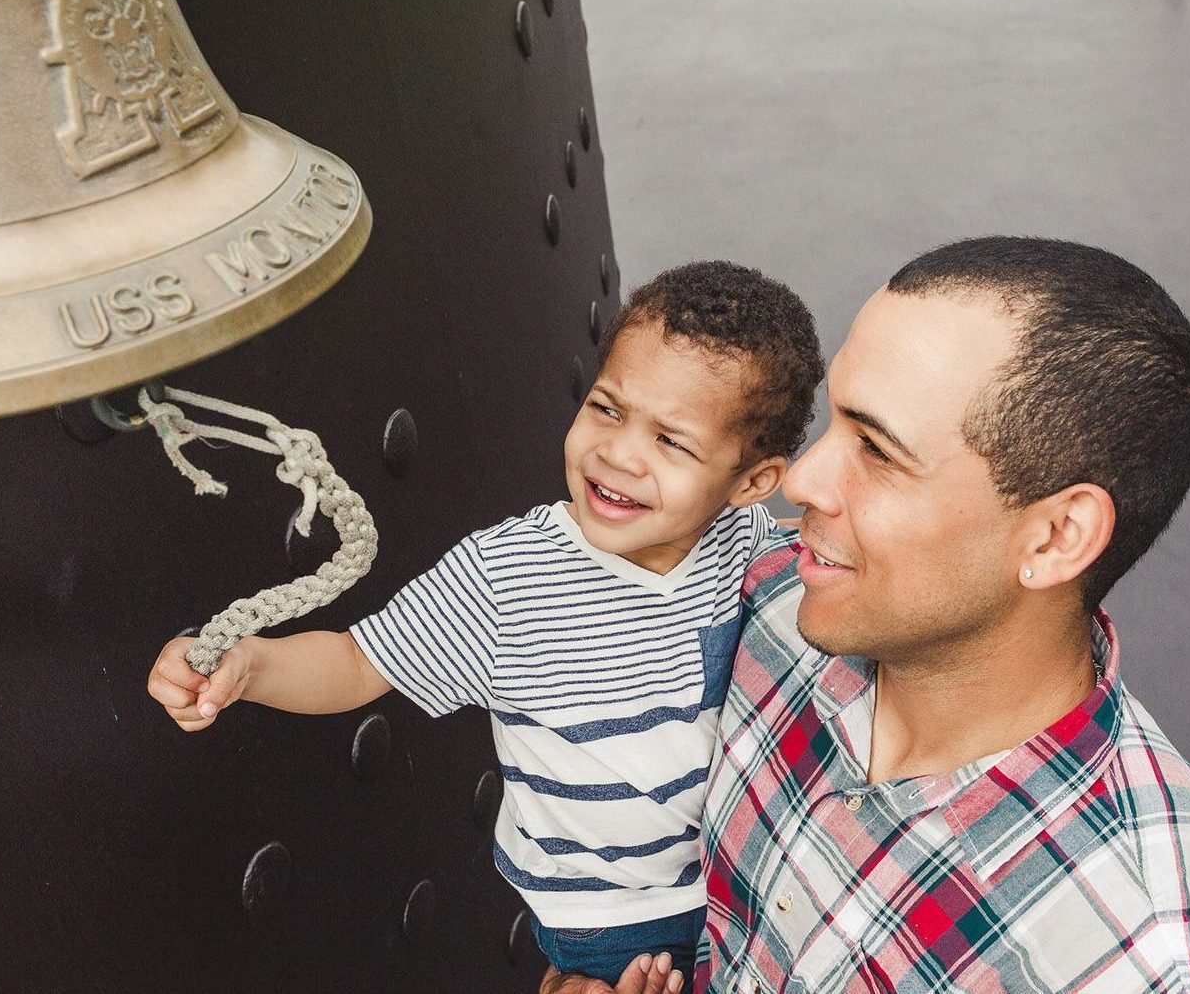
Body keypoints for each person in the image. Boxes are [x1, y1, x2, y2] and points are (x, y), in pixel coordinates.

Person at [544, 237, 1190, 994]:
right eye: (833, 423)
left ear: (1058, 535)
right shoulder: (762, 599)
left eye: (879, 452)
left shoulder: (1142, 958)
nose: (800, 480)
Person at [147, 260, 824, 988]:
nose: (618, 452)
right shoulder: (507, 576)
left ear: (750, 481)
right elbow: (355, 661)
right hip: (611, 920)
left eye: (672, 442)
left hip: (747, 878)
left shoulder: (748, 539)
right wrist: (252, 665)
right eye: (607, 407)